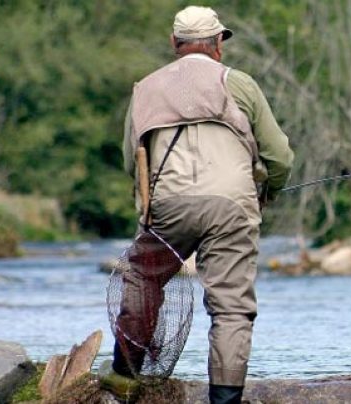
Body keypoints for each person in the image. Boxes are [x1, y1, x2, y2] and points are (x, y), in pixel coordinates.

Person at [113, 5, 294, 403]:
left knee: (143, 277)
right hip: (232, 205)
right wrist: (268, 193)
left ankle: (124, 374)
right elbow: (280, 155)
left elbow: (132, 161)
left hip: (167, 205)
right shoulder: (240, 84)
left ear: (174, 43)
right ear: (218, 45)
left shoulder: (146, 89)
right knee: (231, 308)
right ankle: (225, 399)